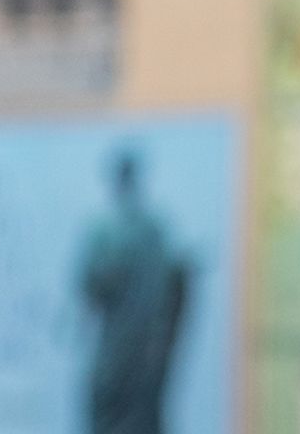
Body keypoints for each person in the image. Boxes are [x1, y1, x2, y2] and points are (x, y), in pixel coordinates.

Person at [78, 147, 192, 434]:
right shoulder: (101, 231)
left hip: (143, 339)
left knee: (142, 407)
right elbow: (90, 285)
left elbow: (170, 285)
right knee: (104, 397)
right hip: (115, 337)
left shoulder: (153, 228)